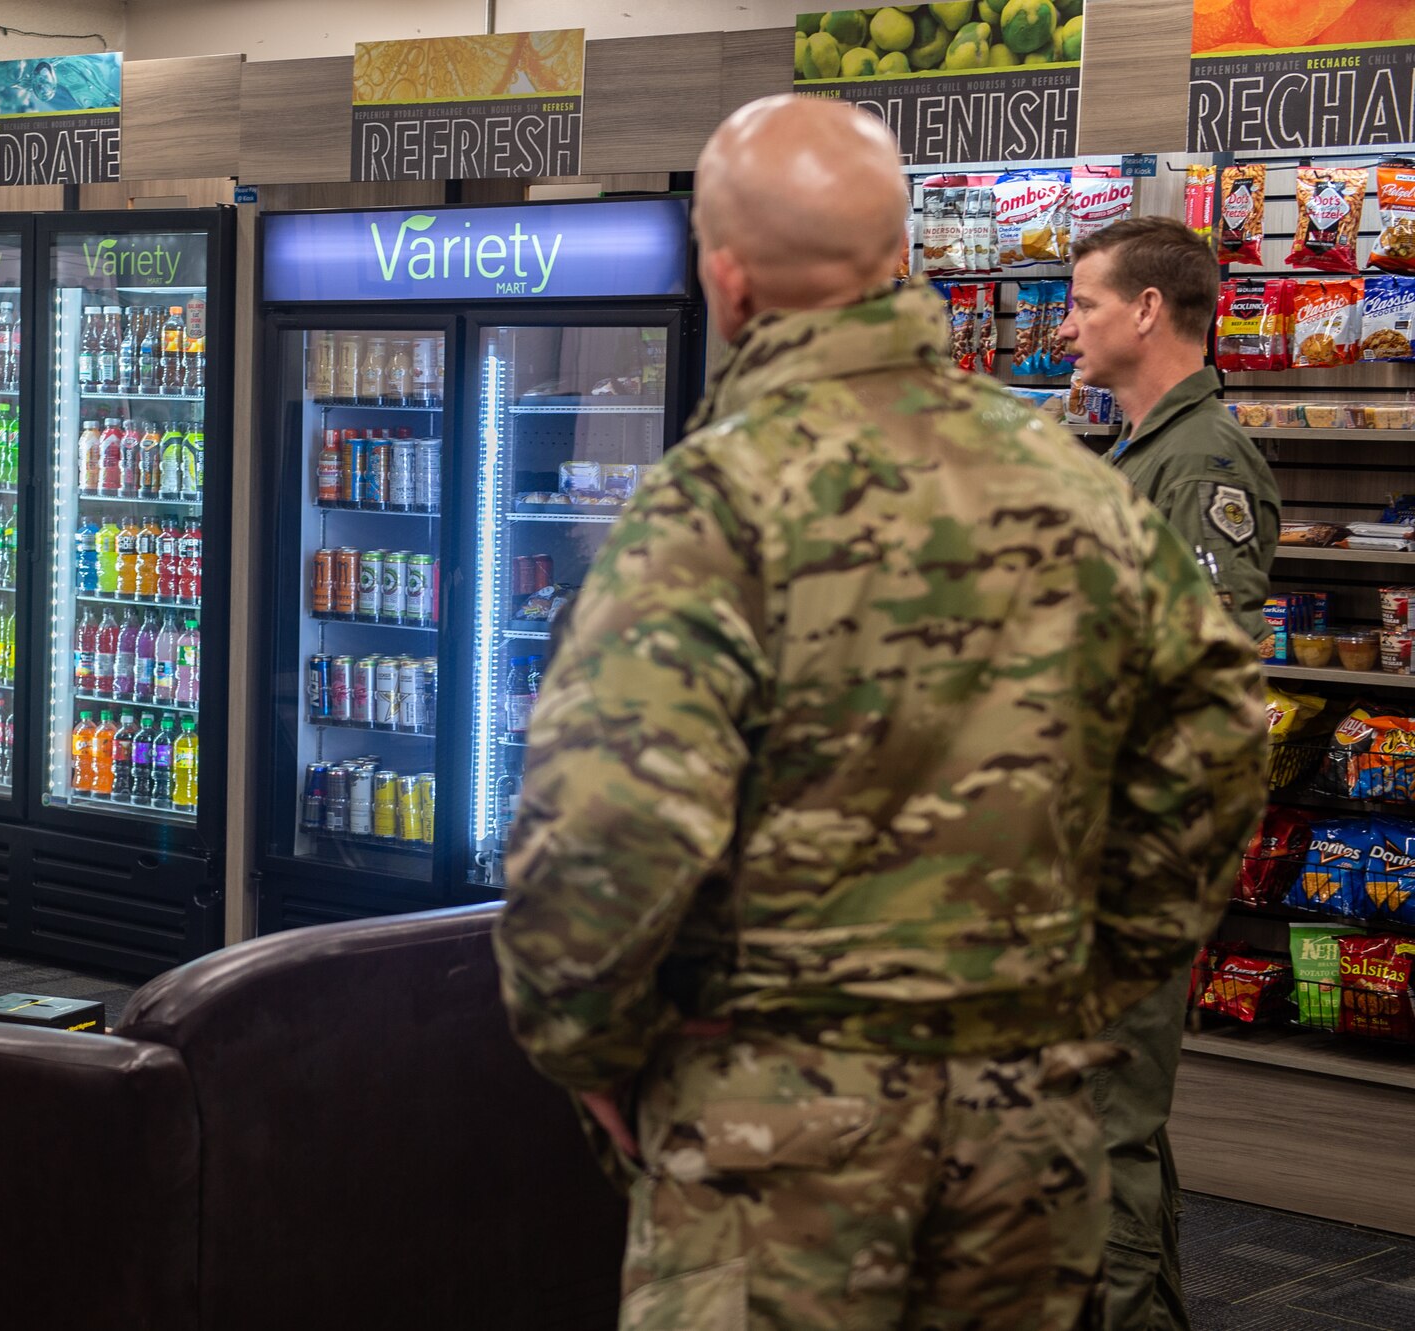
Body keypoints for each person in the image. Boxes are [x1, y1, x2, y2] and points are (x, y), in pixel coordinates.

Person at [491, 95, 1269, 1331]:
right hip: (1026, 1141)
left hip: (770, 1144)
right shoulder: (1078, 492)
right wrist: (1077, 983)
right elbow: (1220, 751)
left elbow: (600, 845)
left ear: (725, 277)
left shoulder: (708, 508)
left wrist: (595, 1056)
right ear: (900, 258)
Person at [1058, 215, 1280, 1331]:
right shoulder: (1143, 452)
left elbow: (1204, 688)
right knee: (1111, 1130)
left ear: (1146, 309)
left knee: (1103, 1137)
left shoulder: (1196, 463)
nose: (1063, 326)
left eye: (1083, 302)